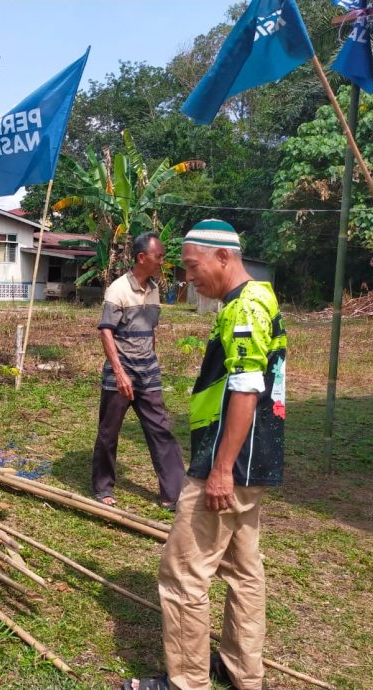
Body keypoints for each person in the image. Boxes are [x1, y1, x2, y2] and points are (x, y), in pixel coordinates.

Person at [122, 219, 287, 690]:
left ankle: (186, 682)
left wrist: (219, 470)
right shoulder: (260, 298)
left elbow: (245, 387)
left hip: (228, 463)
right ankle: (241, 670)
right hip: (253, 461)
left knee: (182, 574)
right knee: (243, 570)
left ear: (223, 257)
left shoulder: (243, 309)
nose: (187, 278)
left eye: (193, 267)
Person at [92, 232, 185, 510]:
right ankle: (102, 486)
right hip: (120, 375)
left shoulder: (155, 290)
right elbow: (106, 332)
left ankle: (174, 494)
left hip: (149, 375)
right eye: (159, 257)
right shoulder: (117, 290)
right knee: (109, 433)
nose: (162, 262)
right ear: (142, 257)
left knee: (161, 431)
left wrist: (152, 362)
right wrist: (120, 373)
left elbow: (150, 332)